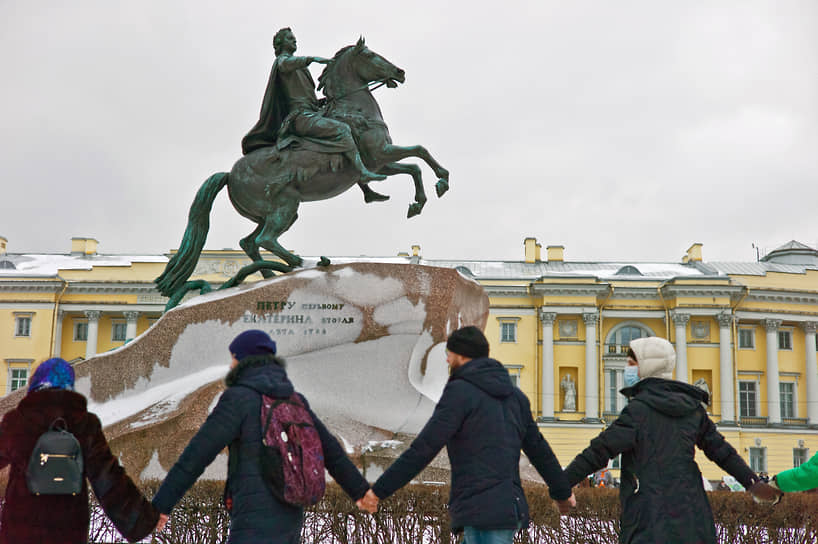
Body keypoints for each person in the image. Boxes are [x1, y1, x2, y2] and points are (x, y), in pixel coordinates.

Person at [359, 326, 576, 544]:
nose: (446, 360)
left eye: (449, 354)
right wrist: (562, 492)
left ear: (461, 355)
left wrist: (378, 491)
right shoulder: (515, 397)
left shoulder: (460, 393)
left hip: (481, 511)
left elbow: (424, 448)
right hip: (509, 507)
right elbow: (539, 450)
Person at [151, 330, 371, 544]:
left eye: (234, 359)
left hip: (252, 521)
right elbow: (330, 450)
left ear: (244, 360)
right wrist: (360, 491)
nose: (230, 366)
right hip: (291, 519)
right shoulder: (294, 401)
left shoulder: (238, 399)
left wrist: (162, 505)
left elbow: (197, 455)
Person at [563, 337, 782, 543]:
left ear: (647, 367)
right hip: (694, 517)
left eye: (631, 363)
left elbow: (599, 451)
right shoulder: (693, 409)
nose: (627, 369)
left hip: (649, 520)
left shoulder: (638, 411)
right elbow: (722, 452)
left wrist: (561, 485)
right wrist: (752, 483)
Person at [0, 358, 163, 544]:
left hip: (19, 532)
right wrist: (143, 520)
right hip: (68, 531)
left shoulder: (17, 422)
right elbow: (109, 478)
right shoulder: (85, 424)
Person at [241, 27, 389, 202]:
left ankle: (366, 191)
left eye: (294, 38)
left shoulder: (298, 67)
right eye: (290, 38)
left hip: (311, 112)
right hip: (301, 117)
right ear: (281, 44)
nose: (294, 40)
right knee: (342, 130)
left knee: (352, 129)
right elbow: (285, 65)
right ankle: (362, 173)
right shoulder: (283, 62)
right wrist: (310, 59)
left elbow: (305, 96)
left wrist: (322, 101)